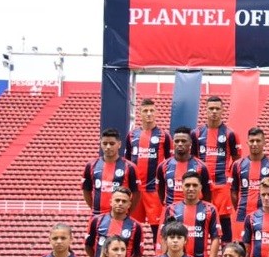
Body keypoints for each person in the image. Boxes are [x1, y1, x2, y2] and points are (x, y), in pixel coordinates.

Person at [192, 96, 241, 242]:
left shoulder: (230, 134)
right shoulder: (196, 133)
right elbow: (193, 159)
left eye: (217, 109)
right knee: (200, 222)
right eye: (211, 108)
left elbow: (237, 160)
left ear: (222, 111)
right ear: (205, 110)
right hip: (201, 186)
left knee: (224, 222)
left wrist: (229, 178)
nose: (214, 111)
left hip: (222, 184)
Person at [126, 98, 172, 240]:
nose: (148, 114)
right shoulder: (132, 135)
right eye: (145, 111)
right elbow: (127, 162)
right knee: (131, 229)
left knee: (157, 230)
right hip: (136, 190)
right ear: (140, 114)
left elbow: (169, 162)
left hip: (154, 191)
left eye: (151, 111)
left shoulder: (164, 135)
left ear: (156, 113)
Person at [161, 170, 221, 257]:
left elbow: (215, 238)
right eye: (187, 185)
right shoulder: (171, 209)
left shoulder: (210, 209)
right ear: (182, 187)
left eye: (195, 185)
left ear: (200, 187)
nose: (191, 188)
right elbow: (164, 237)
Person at [230, 127, 269, 240]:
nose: (254, 144)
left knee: (265, 246)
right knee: (241, 249)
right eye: (252, 141)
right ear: (247, 142)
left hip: (267, 215)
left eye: (258, 141)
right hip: (242, 214)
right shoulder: (238, 165)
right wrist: (240, 207)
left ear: (264, 142)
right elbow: (233, 192)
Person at [82, 128, 139, 215]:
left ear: (119, 144)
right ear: (100, 144)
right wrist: (94, 209)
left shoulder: (130, 167)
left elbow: (136, 193)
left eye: (112, 144)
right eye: (105, 143)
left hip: (120, 216)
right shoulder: (91, 165)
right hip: (98, 215)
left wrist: (127, 212)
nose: (108, 147)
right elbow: (86, 190)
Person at [84, 187, 144, 257]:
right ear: (111, 202)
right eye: (117, 200)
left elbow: (138, 253)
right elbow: (88, 246)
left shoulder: (136, 226)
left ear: (129, 204)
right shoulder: (96, 221)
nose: (120, 203)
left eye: (124, 201)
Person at [158, 127, 212, 207]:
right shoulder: (163, 166)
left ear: (190, 143)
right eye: (177, 141)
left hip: (194, 211)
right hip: (171, 213)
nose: (180, 144)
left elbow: (207, 193)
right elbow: (160, 190)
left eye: (183, 141)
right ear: (173, 143)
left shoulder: (201, 166)